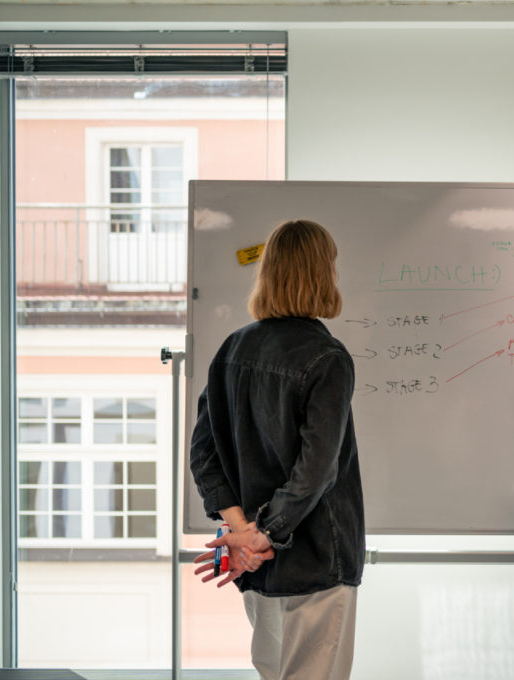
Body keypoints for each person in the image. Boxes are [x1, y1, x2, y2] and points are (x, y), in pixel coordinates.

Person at [189, 219, 365, 680]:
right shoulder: (328, 358)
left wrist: (242, 533)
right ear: (322, 273)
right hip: (318, 559)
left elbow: (203, 455)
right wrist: (262, 536)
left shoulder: (232, 349)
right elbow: (316, 471)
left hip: (258, 565)